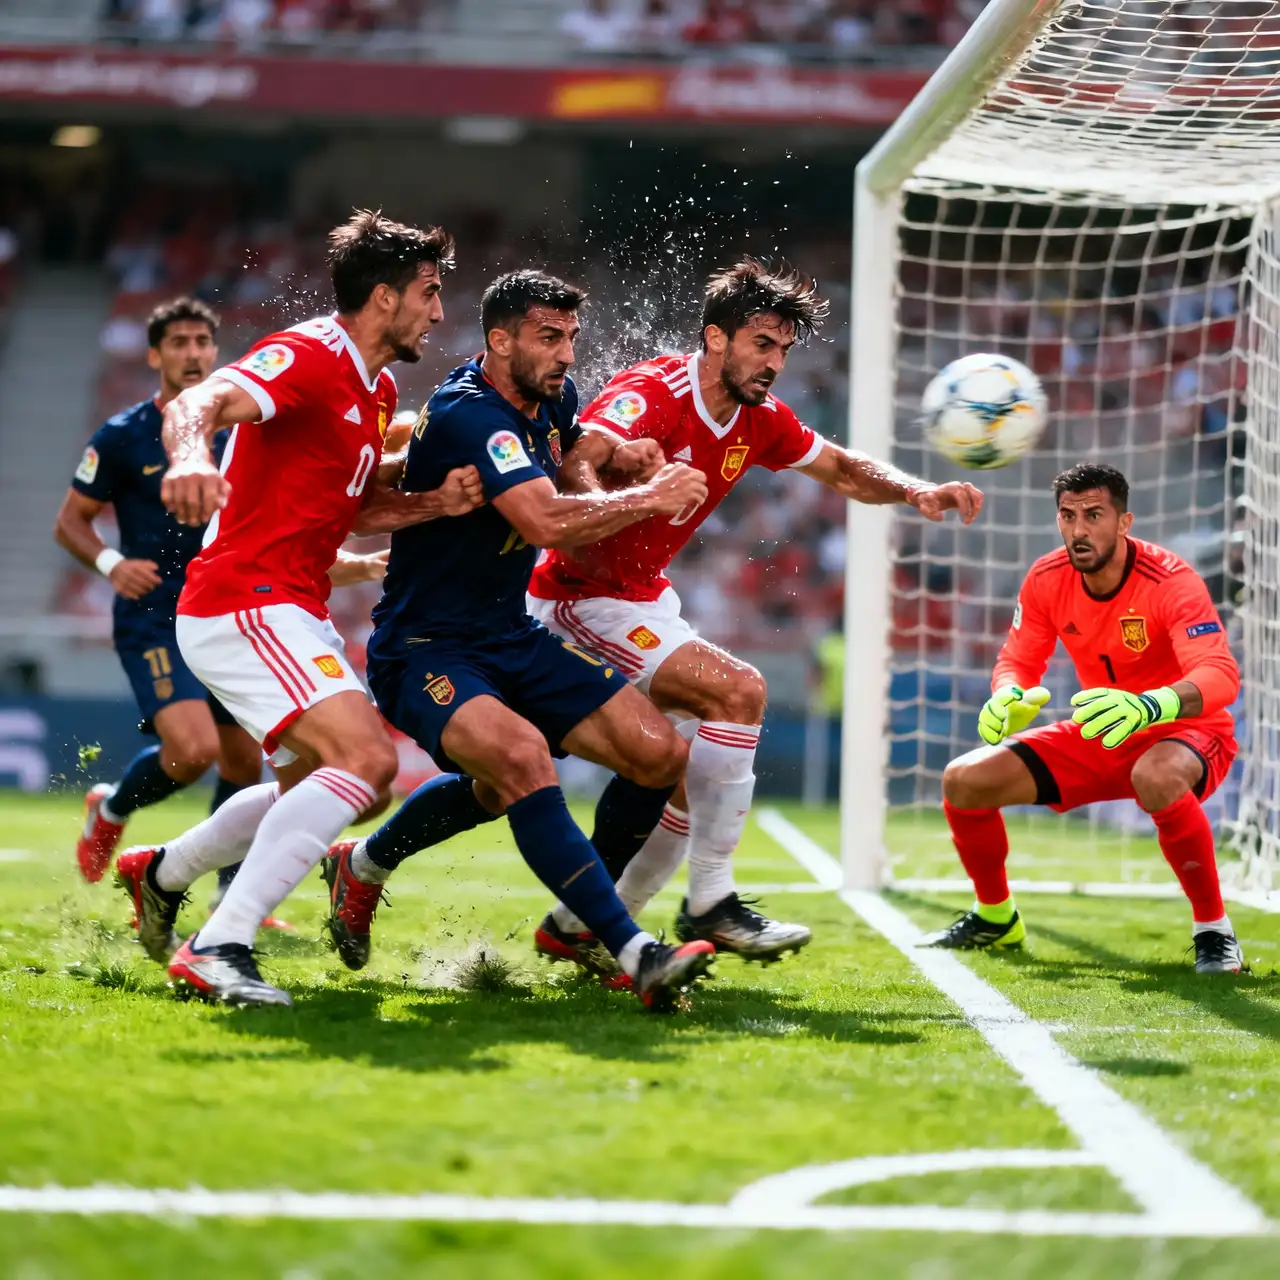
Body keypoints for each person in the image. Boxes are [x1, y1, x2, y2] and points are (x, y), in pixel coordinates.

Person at [324, 257, 982, 973]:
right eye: (761, 344)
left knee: (600, 768)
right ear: (715, 338)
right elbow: (578, 464)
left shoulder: (757, 420)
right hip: (574, 595)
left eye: (784, 350)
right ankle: (699, 904)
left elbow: (842, 468)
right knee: (733, 693)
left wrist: (917, 490)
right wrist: (633, 487)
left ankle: (388, 868)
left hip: (619, 601)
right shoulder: (653, 390)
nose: (774, 363)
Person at [114, 209, 483, 1007]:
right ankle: (219, 945)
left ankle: (164, 872)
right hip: (245, 600)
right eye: (430, 292)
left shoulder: (376, 387)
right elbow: (199, 400)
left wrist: (433, 505)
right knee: (368, 763)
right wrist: (187, 456)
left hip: (288, 605)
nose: (440, 312)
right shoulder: (312, 354)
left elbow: (349, 503)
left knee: (319, 783)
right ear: (383, 298)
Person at [323, 268, 718, 1010]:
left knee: (659, 753)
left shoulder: (549, 396)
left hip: (510, 635)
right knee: (522, 761)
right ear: (499, 340)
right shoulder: (472, 416)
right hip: (425, 648)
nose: (567, 354)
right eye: (548, 337)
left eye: (571, 336)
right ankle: (631, 949)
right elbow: (543, 522)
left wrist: (617, 460)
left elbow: (567, 462)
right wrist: (651, 497)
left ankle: (367, 864)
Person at [928, 462, 1245, 974]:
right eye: (1068, 515)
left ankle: (1214, 931)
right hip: (1103, 731)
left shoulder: (1171, 581)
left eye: (1094, 514)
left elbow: (1221, 675)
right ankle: (995, 917)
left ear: (1124, 522)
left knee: (1156, 776)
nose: (1079, 529)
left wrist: (1149, 705)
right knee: (963, 781)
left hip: (1185, 732)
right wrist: (1007, 696)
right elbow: (1018, 658)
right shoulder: (1046, 578)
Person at [55, 298, 267, 895]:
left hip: (228, 608)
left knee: (245, 763)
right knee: (195, 750)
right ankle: (114, 808)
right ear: (155, 355)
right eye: (179, 342)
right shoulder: (123, 436)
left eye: (203, 341)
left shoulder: (239, 430)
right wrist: (111, 563)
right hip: (153, 614)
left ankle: (232, 895)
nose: (193, 352)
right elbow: (71, 522)